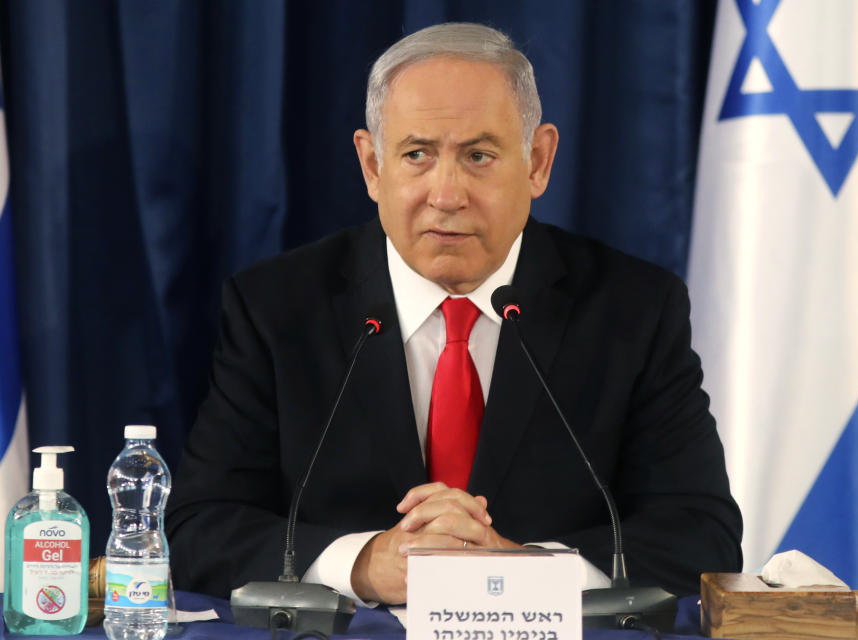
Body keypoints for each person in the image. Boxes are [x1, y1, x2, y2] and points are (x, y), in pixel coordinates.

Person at [166, 22, 742, 605]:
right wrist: (365, 564)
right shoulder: (277, 308)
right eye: (416, 154)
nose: (447, 194)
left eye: (479, 156)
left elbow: (703, 535)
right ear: (371, 165)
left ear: (538, 162)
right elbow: (199, 530)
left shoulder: (632, 309)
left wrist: (520, 569)